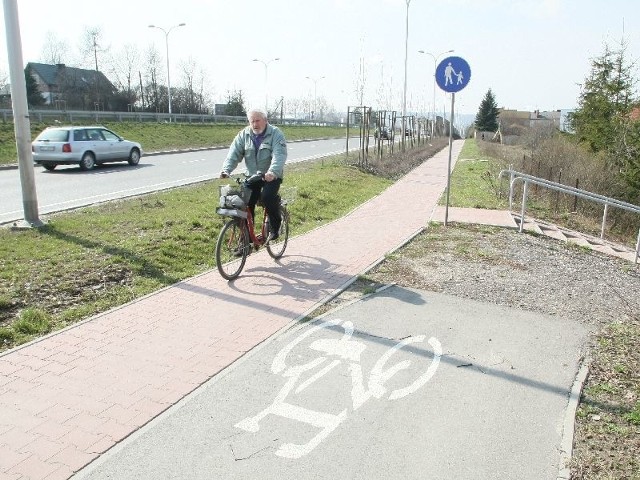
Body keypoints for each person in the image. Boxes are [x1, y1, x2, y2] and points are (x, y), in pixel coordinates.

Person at [219, 108, 288, 241]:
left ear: (265, 120)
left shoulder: (275, 133)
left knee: (268, 197)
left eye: (258, 121)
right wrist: (226, 170)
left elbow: (279, 155)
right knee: (243, 204)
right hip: (252, 176)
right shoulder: (243, 135)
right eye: (252, 121)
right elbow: (234, 154)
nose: (255, 124)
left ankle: (275, 227)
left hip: (270, 176)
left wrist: (272, 172)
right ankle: (245, 240)